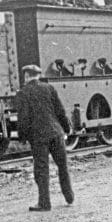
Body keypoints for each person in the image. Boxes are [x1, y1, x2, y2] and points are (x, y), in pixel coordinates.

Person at [14, 64, 74, 211]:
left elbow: (24, 118)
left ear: (26, 76)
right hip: (56, 133)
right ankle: (69, 196)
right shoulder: (49, 88)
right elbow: (60, 111)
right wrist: (67, 128)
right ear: (38, 76)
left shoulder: (23, 93)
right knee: (62, 165)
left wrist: (22, 137)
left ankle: (44, 203)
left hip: (39, 137)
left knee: (42, 170)